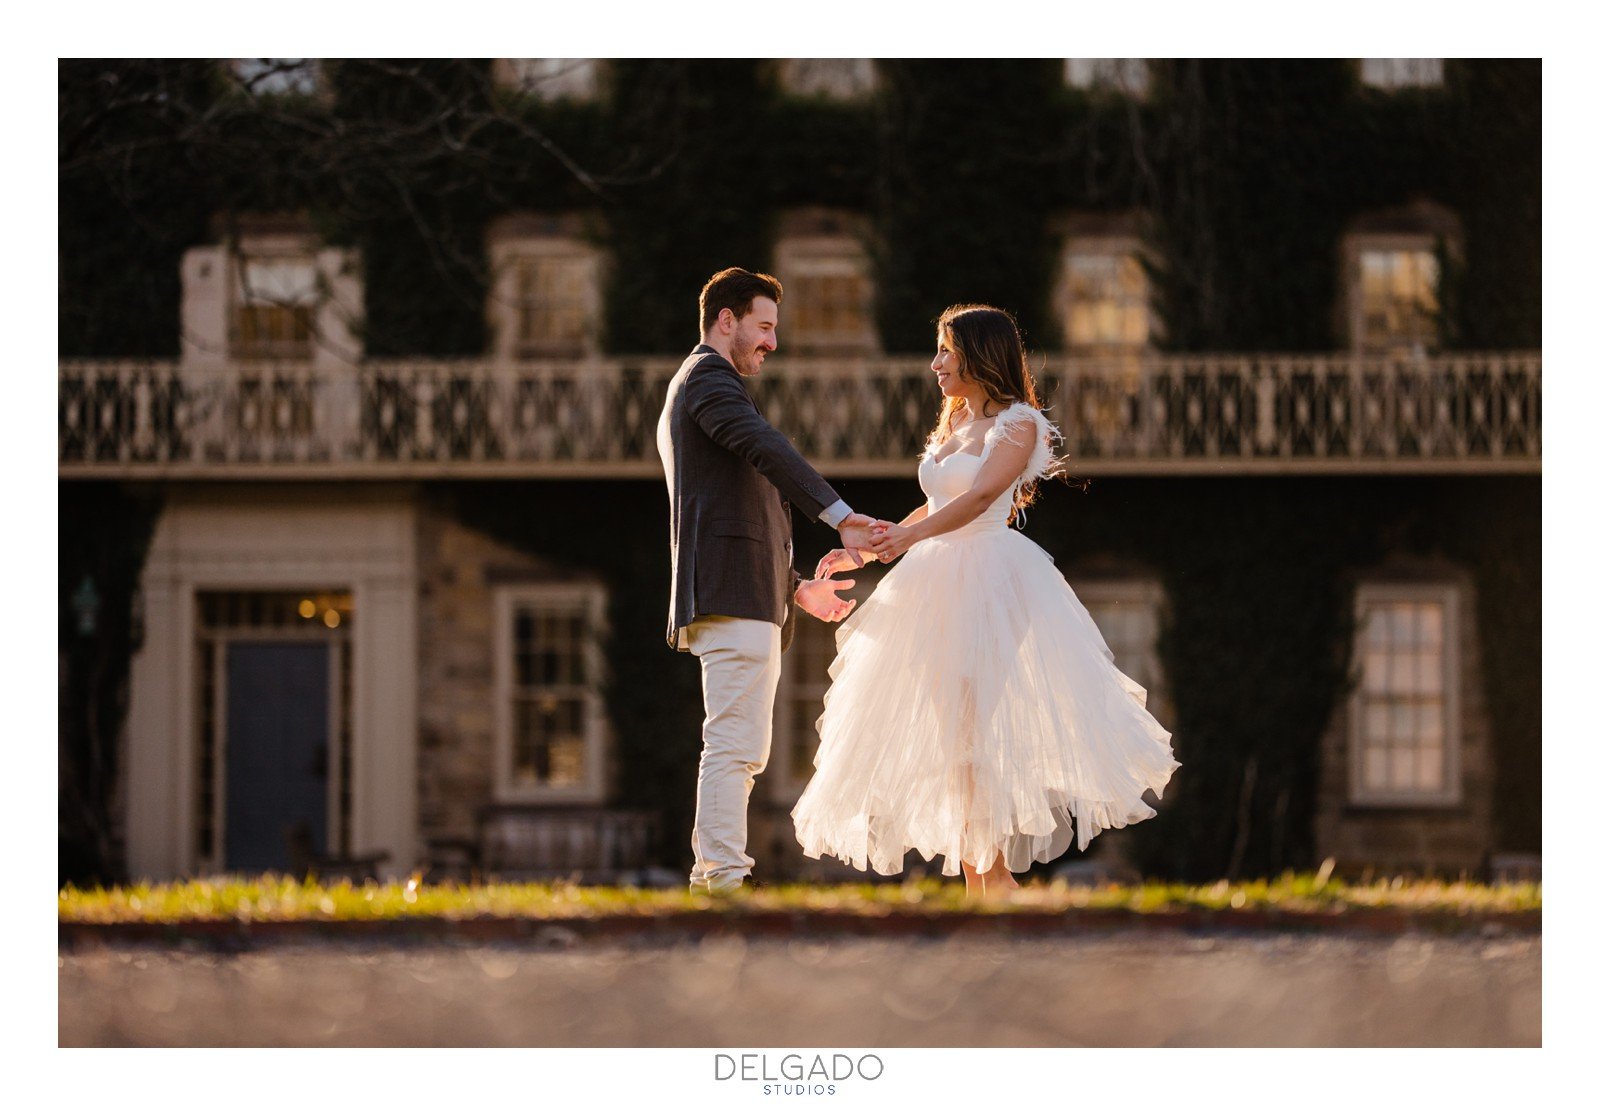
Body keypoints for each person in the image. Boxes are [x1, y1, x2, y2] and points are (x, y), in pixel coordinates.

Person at [791, 304, 1180, 898]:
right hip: (932, 579)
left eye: (947, 351)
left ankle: (993, 878)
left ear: (980, 355)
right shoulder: (953, 424)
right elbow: (936, 504)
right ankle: (982, 878)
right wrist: (869, 549)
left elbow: (977, 500)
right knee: (951, 734)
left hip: (992, 577)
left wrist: (910, 537)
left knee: (973, 725)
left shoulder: (1018, 423)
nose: (936, 363)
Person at [658, 267, 878, 895]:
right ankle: (720, 880)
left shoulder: (707, 387)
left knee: (738, 745)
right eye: (763, 327)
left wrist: (796, 586)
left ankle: (717, 877)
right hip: (731, 599)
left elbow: (737, 510)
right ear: (725, 320)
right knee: (733, 746)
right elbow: (764, 445)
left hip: (747, 594)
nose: (771, 343)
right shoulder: (707, 380)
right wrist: (839, 516)